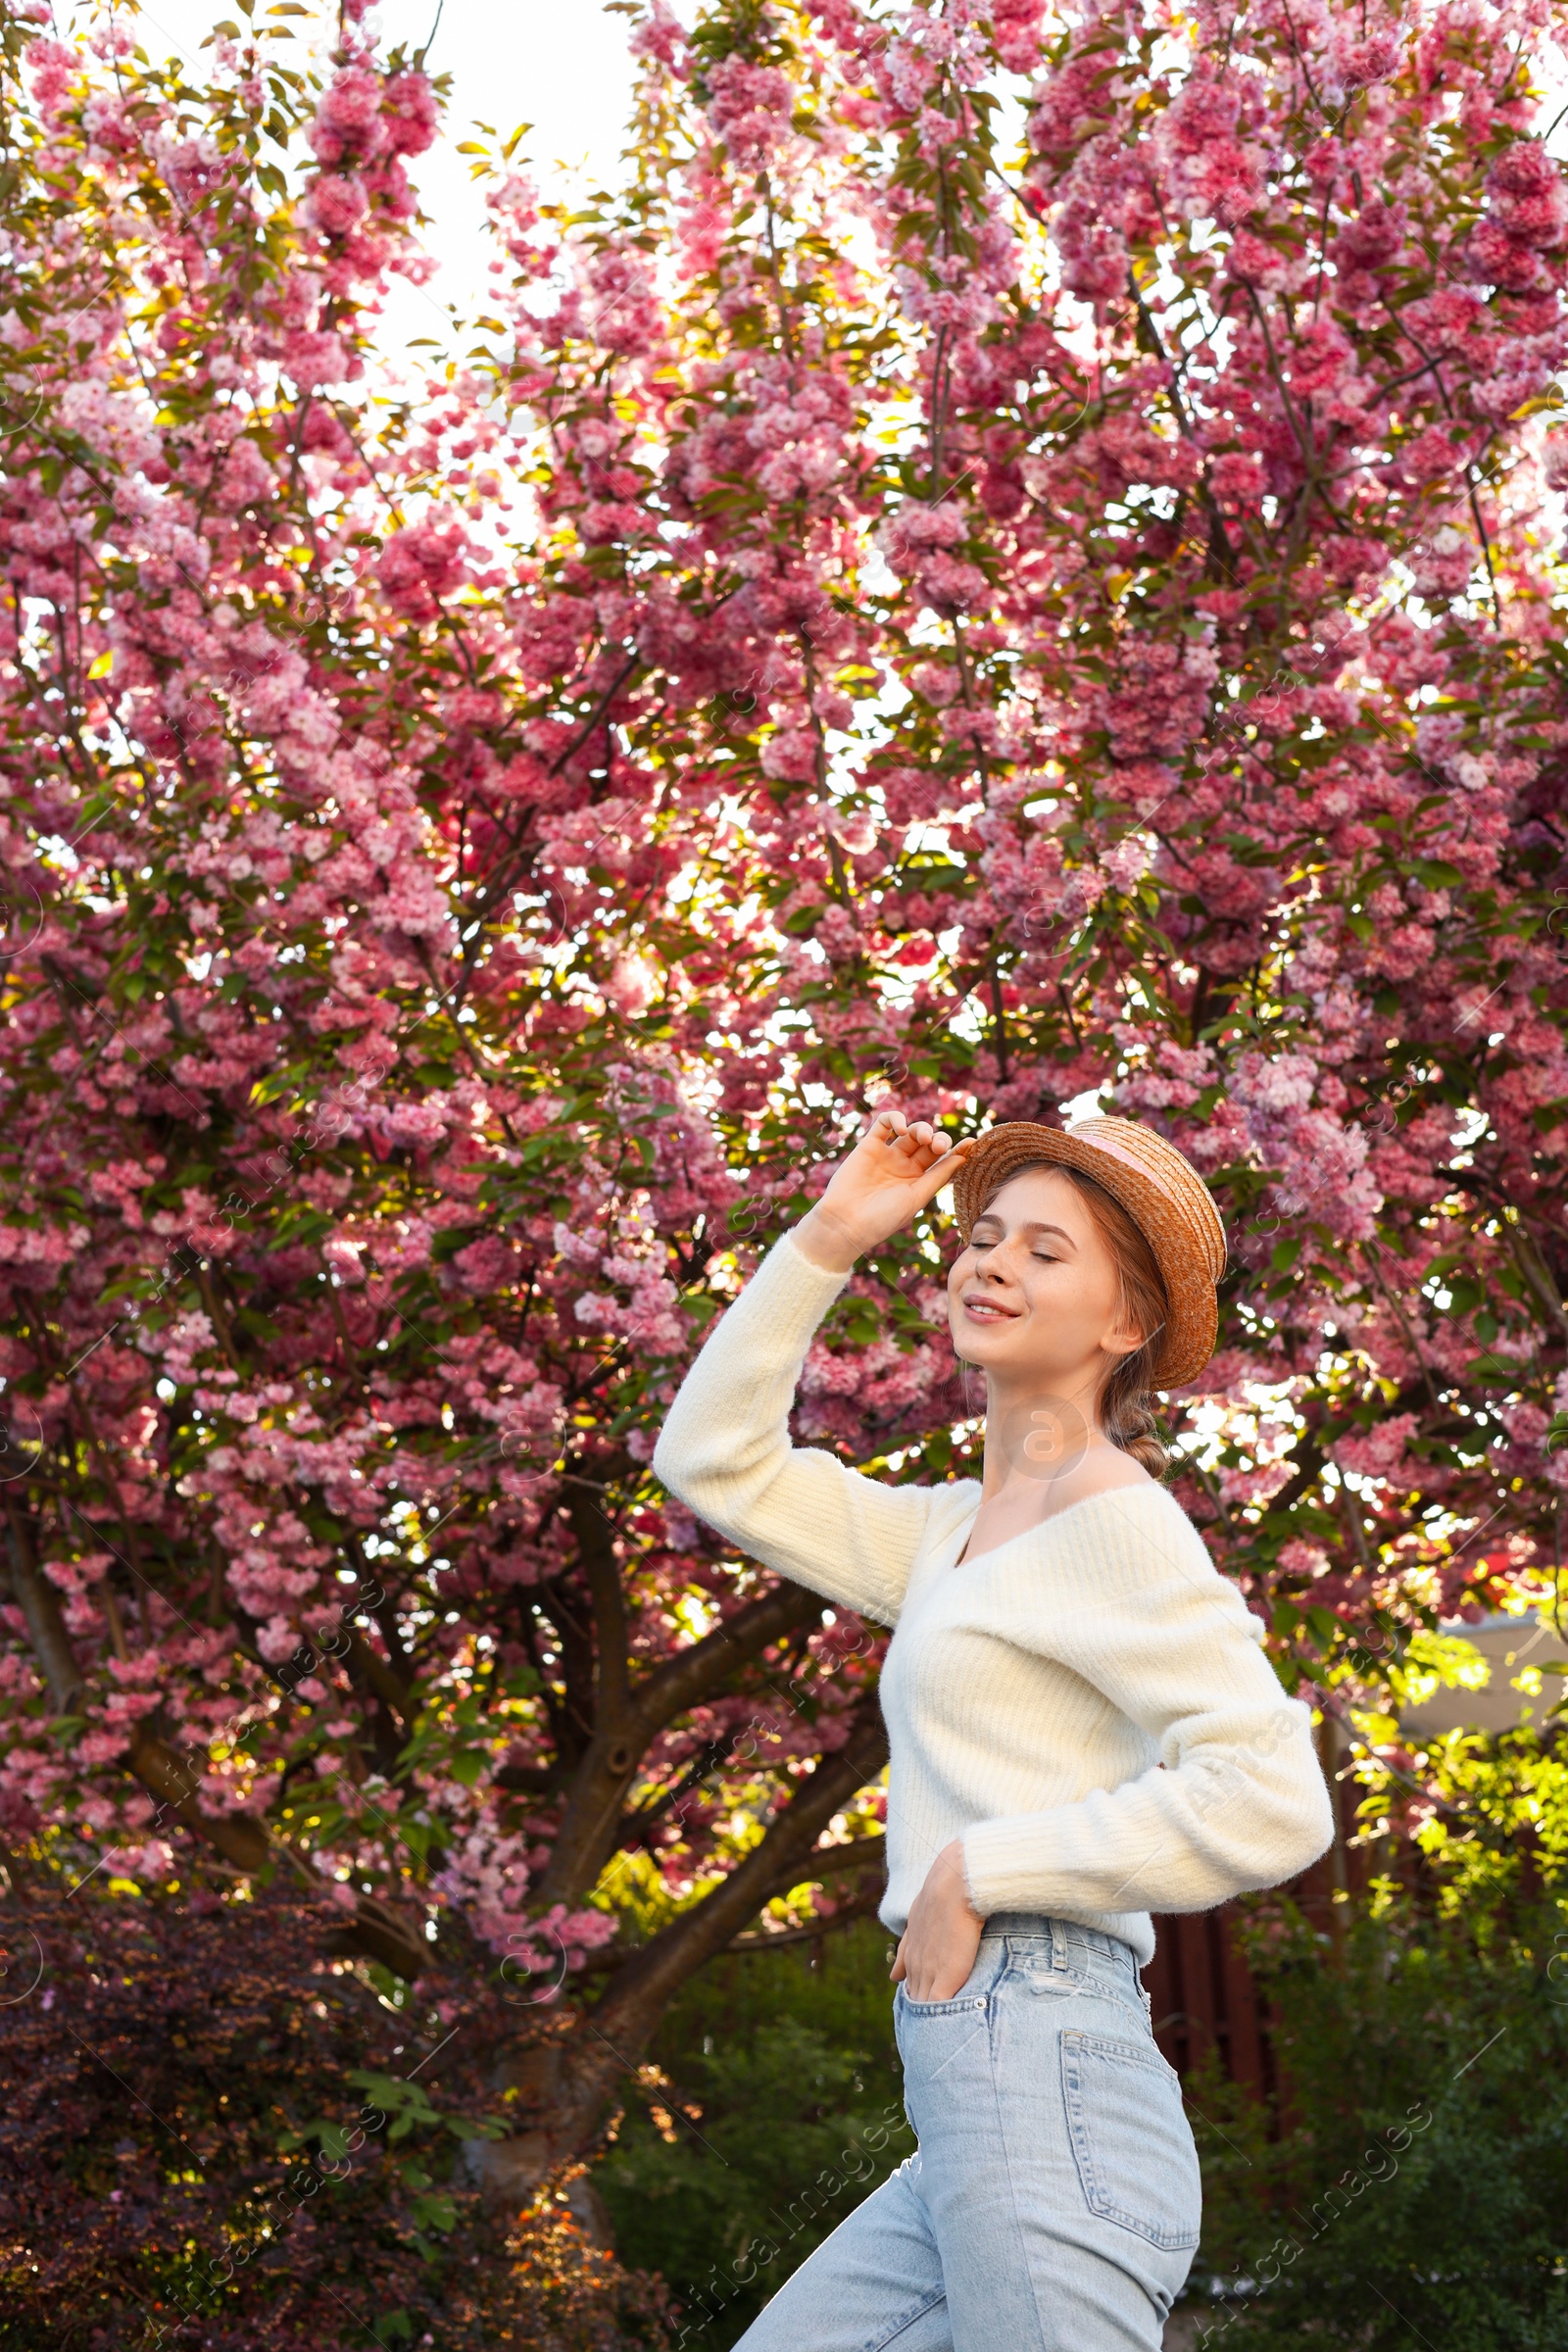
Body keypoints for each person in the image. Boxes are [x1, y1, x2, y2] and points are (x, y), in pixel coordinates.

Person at [653, 1109, 1334, 2352]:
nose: (992, 1265)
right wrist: (833, 1234)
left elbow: (1272, 1794)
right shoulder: (950, 1533)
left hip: (1046, 2054)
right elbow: (712, 1462)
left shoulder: (1106, 1511)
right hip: (977, 2089)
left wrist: (984, 1867)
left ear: (1124, 1325)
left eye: (1046, 1251)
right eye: (981, 1238)